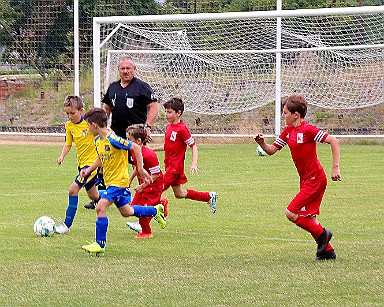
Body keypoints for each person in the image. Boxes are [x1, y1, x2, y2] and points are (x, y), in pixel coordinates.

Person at [253, 94, 341, 260]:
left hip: (316, 180)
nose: (283, 115)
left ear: (296, 115)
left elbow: (334, 141)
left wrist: (335, 168)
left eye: (285, 112)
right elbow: (271, 150)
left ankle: (323, 234)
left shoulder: (307, 130)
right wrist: (261, 143)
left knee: (290, 213)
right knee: (309, 218)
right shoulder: (288, 131)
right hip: (306, 180)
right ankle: (327, 251)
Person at [80, 108, 166, 256]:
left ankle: (100, 244)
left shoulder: (113, 139)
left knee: (100, 207)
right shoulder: (97, 141)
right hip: (111, 182)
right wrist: (89, 170)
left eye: (88, 125)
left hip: (119, 182)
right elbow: (101, 158)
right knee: (127, 212)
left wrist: (140, 169)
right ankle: (155, 210)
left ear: (94, 125)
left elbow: (135, 147)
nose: (87, 129)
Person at [84, 56, 158, 209]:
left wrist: (148, 127)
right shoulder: (113, 88)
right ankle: (102, 198)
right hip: (115, 134)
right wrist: (102, 127)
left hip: (135, 136)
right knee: (106, 163)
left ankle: (141, 197)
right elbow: (106, 109)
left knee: (137, 166)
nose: (125, 71)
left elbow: (154, 107)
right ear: (118, 70)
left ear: (134, 70)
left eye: (128, 68)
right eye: (122, 68)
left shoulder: (142, 87)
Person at [153, 96, 218, 213]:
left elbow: (194, 146)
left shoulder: (182, 129)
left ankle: (143, 222)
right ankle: (208, 196)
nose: (166, 115)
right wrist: (151, 150)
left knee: (155, 191)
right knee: (179, 193)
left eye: (169, 112)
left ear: (178, 113)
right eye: (166, 112)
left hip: (175, 169)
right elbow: (167, 146)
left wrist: (194, 164)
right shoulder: (169, 127)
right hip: (169, 166)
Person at [55, 95, 101, 234]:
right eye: (67, 113)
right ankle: (119, 196)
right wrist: (62, 156)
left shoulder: (90, 124)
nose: (70, 116)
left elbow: (104, 134)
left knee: (73, 189)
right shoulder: (69, 125)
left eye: (72, 113)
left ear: (81, 110)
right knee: (93, 196)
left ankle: (66, 225)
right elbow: (68, 144)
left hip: (91, 166)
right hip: (82, 165)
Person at [125, 124, 169, 239]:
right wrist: (130, 179)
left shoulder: (149, 154)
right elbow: (138, 167)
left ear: (139, 141)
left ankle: (146, 232)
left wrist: (143, 186)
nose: (127, 142)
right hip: (143, 184)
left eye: (129, 139)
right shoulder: (135, 151)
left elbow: (156, 174)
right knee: (133, 207)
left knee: (142, 210)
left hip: (153, 185)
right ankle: (160, 204)